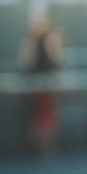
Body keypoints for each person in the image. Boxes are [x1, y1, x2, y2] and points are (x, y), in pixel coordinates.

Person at [20, 14, 63, 158]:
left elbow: (26, 61)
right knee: (41, 119)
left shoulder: (39, 40)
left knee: (43, 119)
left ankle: (42, 150)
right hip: (41, 87)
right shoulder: (38, 40)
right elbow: (54, 59)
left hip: (43, 86)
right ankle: (40, 150)